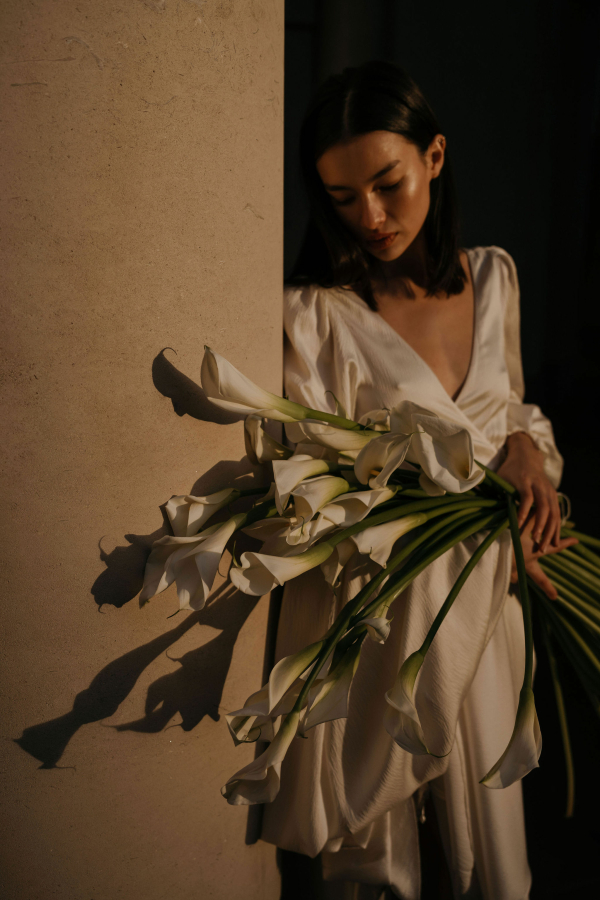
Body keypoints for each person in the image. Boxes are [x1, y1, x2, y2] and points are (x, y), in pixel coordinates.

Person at [261, 61, 574, 900]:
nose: (369, 217)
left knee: (500, 859)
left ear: (435, 157)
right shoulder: (316, 313)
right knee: (373, 870)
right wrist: (471, 492)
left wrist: (526, 457)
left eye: (387, 184)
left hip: (489, 601)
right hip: (381, 619)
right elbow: (319, 470)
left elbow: (512, 413)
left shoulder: (495, 277)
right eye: (340, 199)